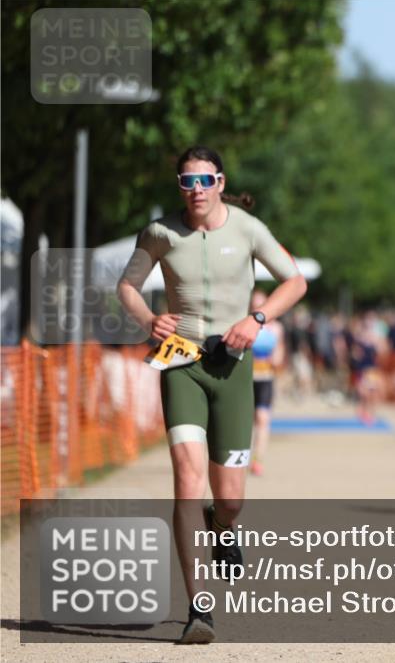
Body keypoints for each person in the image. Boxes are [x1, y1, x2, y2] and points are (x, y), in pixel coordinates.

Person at [117, 146, 307, 644]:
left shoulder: (248, 229)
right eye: (186, 182)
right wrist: (147, 319)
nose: (196, 190)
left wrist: (258, 318)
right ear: (179, 186)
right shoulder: (161, 233)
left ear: (220, 182)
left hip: (233, 365)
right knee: (187, 478)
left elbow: (294, 282)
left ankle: (220, 523)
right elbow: (127, 287)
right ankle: (199, 610)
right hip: (180, 360)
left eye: (204, 181)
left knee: (231, 499)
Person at [249, 288, 286, 476]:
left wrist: (276, 359)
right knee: (247, 421)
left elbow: (279, 352)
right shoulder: (245, 324)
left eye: (261, 305)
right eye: (254, 305)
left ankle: (258, 459)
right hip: (246, 379)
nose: (258, 309)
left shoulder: (276, 328)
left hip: (265, 378)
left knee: (262, 418)